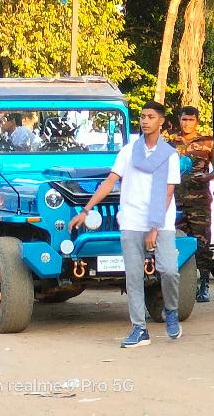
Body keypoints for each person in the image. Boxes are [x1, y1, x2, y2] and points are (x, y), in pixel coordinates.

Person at [68, 101, 182, 348]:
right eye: (142, 116)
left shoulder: (170, 155)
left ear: (160, 121)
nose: (145, 121)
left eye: (150, 117)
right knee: (133, 275)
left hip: (160, 222)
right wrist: (86, 210)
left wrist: (154, 227)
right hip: (131, 219)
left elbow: (168, 193)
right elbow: (110, 182)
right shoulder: (129, 152)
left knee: (169, 270)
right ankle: (139, 329)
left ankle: (171, 310)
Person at [168, 106, 214, 303]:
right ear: (179, 120)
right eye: (184, 119)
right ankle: (181, 287)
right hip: (175, 203)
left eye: (191, 120)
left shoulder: (207, 143)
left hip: (199, 203)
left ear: (197, 121)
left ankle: (204, 284)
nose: (187, 123)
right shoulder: (171, 142)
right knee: (177, 245)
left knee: (202, 244)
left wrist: (208, 176)